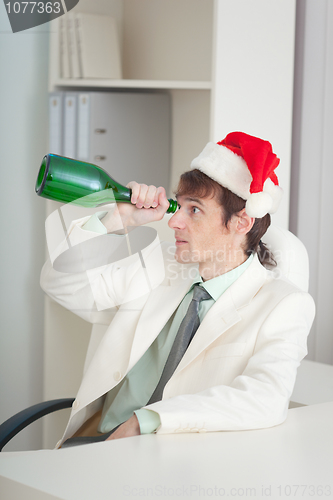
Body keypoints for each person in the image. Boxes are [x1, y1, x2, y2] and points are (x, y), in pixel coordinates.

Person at [40, 131, 315, 447]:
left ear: (242, 223)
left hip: (171, 455)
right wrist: (118, 219)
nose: (174, 222)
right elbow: (60, 284)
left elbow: (266, 398)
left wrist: (149, 420)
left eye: (194, 209)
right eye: (179, 206)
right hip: (98, 440)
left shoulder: (283, 304)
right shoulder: (161, 263)